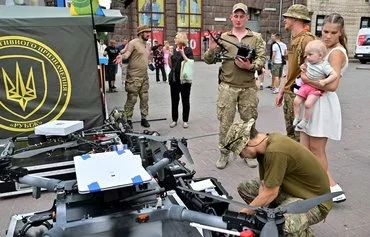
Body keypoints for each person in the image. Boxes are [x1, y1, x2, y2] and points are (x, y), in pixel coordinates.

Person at [224, 119, 332, 236]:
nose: (241, 157)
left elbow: (270, 193)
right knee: (246, 188)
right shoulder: (265, 146)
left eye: (240, 153)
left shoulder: (275, 151)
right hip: (292, 191)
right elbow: (264, 185)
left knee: (281, 225)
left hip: (314, 201)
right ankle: (275, 220)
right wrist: (259, 213)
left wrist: (241, 216)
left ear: (247, 143)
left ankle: (300, 231)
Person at [203, 3, 266, 169]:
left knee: (249, 122)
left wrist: (250, 67)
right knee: (225, 122)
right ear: (231, 18)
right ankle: (224, 153)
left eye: (242, 16)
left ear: (247, 18)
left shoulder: (256, 37)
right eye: (235, 16)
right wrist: (211, 49)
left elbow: (262, 59)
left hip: (248, 87)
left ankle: (249, 152)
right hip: (227, 87)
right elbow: (208, 60)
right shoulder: (224, 37)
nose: (238, 19)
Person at [297, 13, 349, 203]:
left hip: (324, 103)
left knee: (317, 150)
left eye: (333, 32)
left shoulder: (336, 53)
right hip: (313, 101)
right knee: (304, 147)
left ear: (340, 32)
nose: (327, 36)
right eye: (325, 31)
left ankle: (332, 188)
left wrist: (307, 80)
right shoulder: (322, 48)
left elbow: (333, 85)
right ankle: (309, 185)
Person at [275, 4, 315, 141]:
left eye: (287, 17)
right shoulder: (295, 39)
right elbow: (291, 70)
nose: (284, 20)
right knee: (291, 135)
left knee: (299, 137)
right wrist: (282, 90)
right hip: (289, 93)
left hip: (298, 95)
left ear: (296, 19)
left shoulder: (307, 40)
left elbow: (314, 70)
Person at [293, 40, 337, 129]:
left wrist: (325, 81)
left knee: (308, 104)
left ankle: (305, 121)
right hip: (306, 86)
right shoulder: (309, 62)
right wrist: (302, 67)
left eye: (310, 55)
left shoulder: (324, 65)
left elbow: (334, 75)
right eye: (307, 55)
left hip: (315, 88)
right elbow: (304, 66)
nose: (307, 57)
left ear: (320, 55)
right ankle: (296, 118)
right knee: (296, 101)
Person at [116, 25, 152, 128]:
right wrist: (121, 56)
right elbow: (127, 54)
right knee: (132, 98)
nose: (148, 34)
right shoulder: (133, 43)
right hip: (133, 76)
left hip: (144, 76)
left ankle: (144, 118)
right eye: (146, 32)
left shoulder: (146, 44)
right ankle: (128, 119)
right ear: (140, 33)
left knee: (144, 98)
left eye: (149, 32)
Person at [168, 32, 194, 129]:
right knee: (174, 100)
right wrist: (170, 56)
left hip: (185, 79)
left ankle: (185, 120)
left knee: (185, 100)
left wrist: (183, 54)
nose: (174, 39)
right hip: (174, 79)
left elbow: (190, 62)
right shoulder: (174, 50)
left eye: (176, 37)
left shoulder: (188, 50)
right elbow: (171, 66)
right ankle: (174, 120)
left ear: (180, 39)